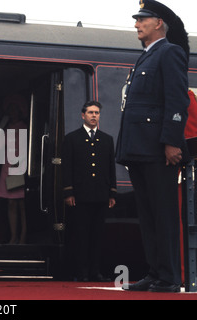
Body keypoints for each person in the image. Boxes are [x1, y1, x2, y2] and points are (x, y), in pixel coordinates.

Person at [116, 0, 190, 293]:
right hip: (138, 148)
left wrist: (172, 141)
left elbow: (177, 101)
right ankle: (155, 273)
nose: (136, 24)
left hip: (158, 149)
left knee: (163, 214)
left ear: (158, 23)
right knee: (147, 216)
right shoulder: (145, 56)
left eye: (142, 19)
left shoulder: (169, 52)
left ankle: (170, 277)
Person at [62, 101, 117, 282]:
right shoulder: (72, 138)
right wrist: (68, 192)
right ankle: (82, 272)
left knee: (97, 236)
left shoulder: (107, 139)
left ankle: (95, 271)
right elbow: (67, 167)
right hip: (80, 195)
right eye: (91, 112)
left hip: (100, 194)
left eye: (97, 113)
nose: (94, 116)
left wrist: (112, 193)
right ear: (83, 115)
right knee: (81, 235)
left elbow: (111, 168)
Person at [0, 95, 28, 244]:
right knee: (11, 203)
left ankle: (22, 236)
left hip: (18, 166)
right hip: (8, 166)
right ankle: (14, 236)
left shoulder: (24, 126)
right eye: (10, 110)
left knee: (21, 203)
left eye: (16, 109)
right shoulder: (7, 127)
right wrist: (1, 127)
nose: (13, 112)